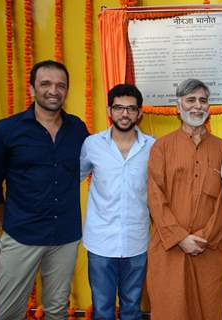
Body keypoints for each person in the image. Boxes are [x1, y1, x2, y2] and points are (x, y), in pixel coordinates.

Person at [0, 60, 89, 320]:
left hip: (65, 235)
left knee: (57, 310)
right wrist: (10, 222)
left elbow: (90, 166)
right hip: (22, 236)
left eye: (61, 85)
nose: (54, 90)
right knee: (8, 312)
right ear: (32, 89)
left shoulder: (77, 129)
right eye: (46, 84)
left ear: (67, 91)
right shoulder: (7, 130)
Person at [146, 79, 222, 320]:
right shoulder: (161, 147)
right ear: (178, 106)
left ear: (209, 107)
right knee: (172, 309)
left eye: (203, 100)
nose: (197, 106)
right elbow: (155, 196)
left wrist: (204, 237)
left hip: (209, 249)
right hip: (169, 247)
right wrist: (180, 237)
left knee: (210, 308)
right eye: (190, 100)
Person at [80, 84, 154, 319]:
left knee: (132, 307)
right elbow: (73, 177)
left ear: (139, 113)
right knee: (102, 308)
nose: (125, 114)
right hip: (101, 241)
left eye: (131, 109)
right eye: (119, 108)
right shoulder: (92, 145)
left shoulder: (153, 147)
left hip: (137, 241)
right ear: (109, 110)